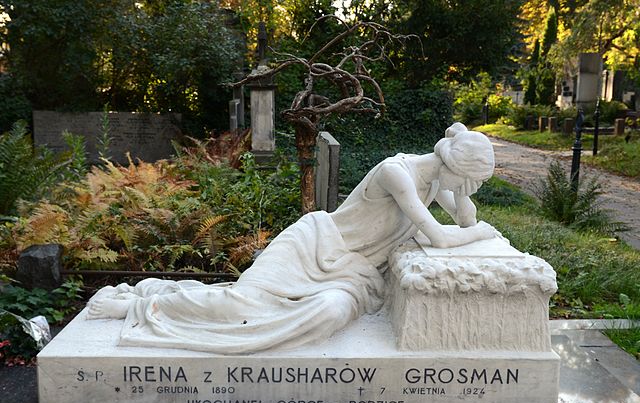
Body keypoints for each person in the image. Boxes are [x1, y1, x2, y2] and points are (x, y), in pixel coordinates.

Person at [87, 123, 498, 354]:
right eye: (472, 181)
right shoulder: (398, 173)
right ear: (455, 167)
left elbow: (463, 218)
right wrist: (479, 228)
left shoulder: (437, 180)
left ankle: (173, 297)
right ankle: (142, 305)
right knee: (242, 303)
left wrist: (463, 197)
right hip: (313, 246)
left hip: (351, 275)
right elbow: (446, 238)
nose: (472, 189)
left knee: (329, 314)